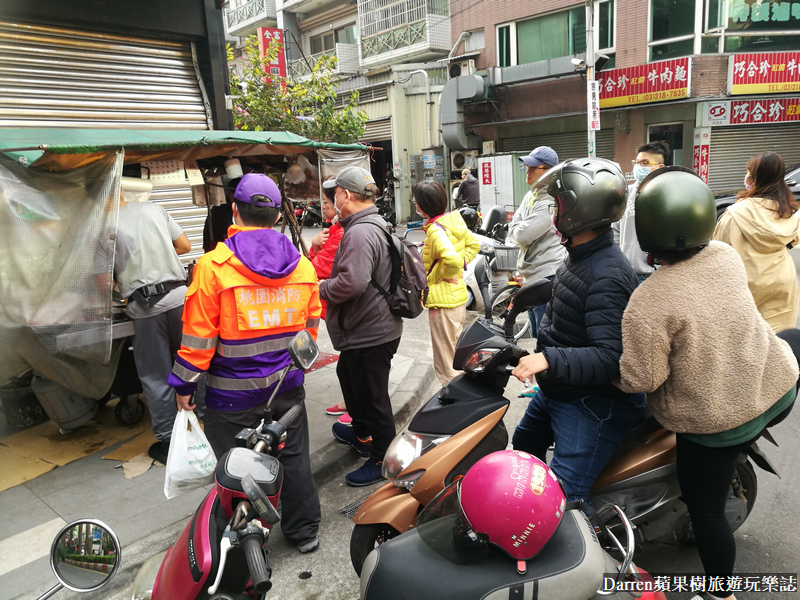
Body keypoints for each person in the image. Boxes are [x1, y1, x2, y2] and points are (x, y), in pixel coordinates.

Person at [615, 166, 799, 600]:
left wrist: (610, 367)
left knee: (707, 512)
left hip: (719, 425)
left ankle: (720, 593)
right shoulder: (723, 254)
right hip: (778, 386)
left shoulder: (648, 301)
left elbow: (643, 378)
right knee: (791, 339)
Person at [167, 173, 322, 554]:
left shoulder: (213, 267)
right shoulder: (302, 268)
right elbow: (311, 328)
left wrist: (184, 386)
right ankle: (304, 533)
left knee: (237, 467)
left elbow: (199, 338)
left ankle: (242, 545)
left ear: (234, 211)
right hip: (287, 389)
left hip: (230, 398)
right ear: (275, 217)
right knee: (295, 459)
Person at [509, 157, 646, 502]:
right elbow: (565, 287)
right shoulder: (580, 254)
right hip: (562, 390)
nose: (555, 210)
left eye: (559, 203)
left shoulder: (608, 275)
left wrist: (548, 360)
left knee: (564, 496)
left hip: (593, 402)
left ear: (579, 210)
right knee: (524, 446)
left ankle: (588, 547)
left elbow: (611, 357)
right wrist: (522, 298)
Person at [319, 166, 402, 487]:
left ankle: (382, 457)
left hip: (372, 330)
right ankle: (362, 433)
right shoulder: (370, 223)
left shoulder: (360, 231)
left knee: (373, 395)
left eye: (335, 193)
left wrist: (318, 288)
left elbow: (351, 284)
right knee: (350, 378)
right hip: (370, 326)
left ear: (347, 196)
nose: (333, 197)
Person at [113, 179, 197, 464]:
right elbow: (184, 245)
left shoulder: (103, 230)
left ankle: (169, 443)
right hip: (180, 297)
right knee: (195, 361)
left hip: (145, 309)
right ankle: (210, 423)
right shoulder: (154, 209)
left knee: (155, 374)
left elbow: (102, 281)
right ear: (123, 192)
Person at [714, 151, 800, 332]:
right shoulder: (789, 212)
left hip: (745, 285)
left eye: (748, 173)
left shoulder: (736, 214)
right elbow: (793, 241)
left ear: (754, 178)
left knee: (746, 344)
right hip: (782, 282)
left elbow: (717, 251)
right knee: (778, 343)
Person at [415, 180, 480, 385]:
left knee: (446, 360)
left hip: (443, 301)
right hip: (457, 297)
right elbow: (473, 244)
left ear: (423, 205)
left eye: (416, 200)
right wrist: (460, 265)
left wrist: (447, 272)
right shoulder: (453, 220)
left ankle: (453, 399)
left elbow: (450, 258)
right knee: (453, 349)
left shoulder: (435, 230)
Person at [507, 146, 565, 339]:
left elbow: (522, 235)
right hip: (531, 275)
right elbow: (514, 227)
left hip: (546, 275)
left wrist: (518, 227)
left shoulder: (550, 201)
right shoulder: (531, 195)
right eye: (527, 167)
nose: (528, 171)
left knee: (544, 335)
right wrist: (518, 227)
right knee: (535, 332)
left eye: (533, 167)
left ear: (549, 171)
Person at [310, 183, 350, 423]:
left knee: (352, 363)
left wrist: (314, 249)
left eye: (327, 202)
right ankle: (353, 404)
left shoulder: (342, 233)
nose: (325, 207)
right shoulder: (337, 230)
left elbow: (316, 270)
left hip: (347, 310)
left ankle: (359, 414)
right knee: (347, 360)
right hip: (343, 309)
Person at [612, 140, 670, 283]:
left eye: (645, 163)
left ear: (659, 167)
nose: (638, 166)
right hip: (625, 275)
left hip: (653, 277)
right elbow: (616, 230)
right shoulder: (626, 193)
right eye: (637, 162)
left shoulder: (668, 196)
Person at [201, 176, 240, 253]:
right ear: (229, 194)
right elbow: (229, 237)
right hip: (217, 256)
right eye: (238, 196)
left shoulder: (232, 209)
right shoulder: (220, 211)